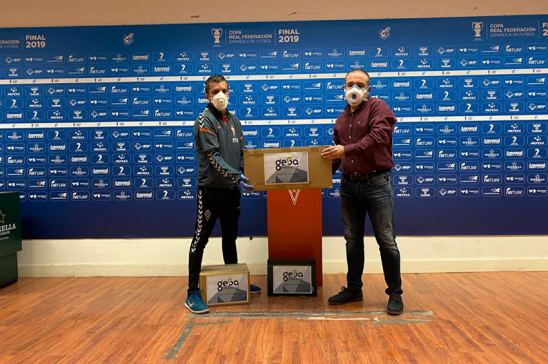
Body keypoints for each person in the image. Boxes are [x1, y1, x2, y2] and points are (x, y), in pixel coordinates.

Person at [321, 69, 404, 315]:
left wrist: (345, 151)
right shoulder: (340, 119)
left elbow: (378, 137)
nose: (354, 88)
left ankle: (395, 293)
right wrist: (317, 176)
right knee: (352, 240)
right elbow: (336, 157)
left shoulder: (379, 108)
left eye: (360, 84)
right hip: (349, 185)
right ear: (343, 89)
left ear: (368, 89)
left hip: (376, 183)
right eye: (350, 84)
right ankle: (354, 288)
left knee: (386, 241)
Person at [185, 74, 260, 314]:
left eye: (224, 90)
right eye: (215, 91)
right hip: (210, 191)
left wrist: (252, 172)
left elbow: (241, 154)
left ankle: (234, 278)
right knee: (200, 239)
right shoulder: (204, 120)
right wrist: (237, 176)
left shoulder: (235, 121)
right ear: (207, 95)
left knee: (230, 236)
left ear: (229, 93)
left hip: (231, 192)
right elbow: (213, 158)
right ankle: (192, 291)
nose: (220, 95)